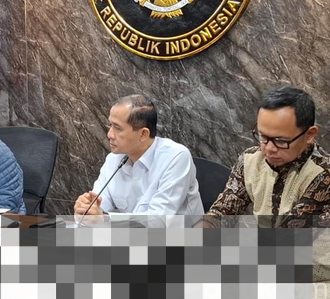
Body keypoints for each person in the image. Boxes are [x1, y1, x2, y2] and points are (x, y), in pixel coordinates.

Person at [197, 86, 330, 228]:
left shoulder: (322, 174)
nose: (269, 148)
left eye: (281, 141)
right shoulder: (251, 159)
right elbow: (225, 209)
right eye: (263, 137)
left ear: (309, 135)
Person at [73, 95, 203, 222]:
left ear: (143, 134)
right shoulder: (114, 159)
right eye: (110, 125)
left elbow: (157, 221)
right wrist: (86, 210)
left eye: (117, 128)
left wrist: (104, 219)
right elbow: (99, 205)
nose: (109, 134)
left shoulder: (176, 157)